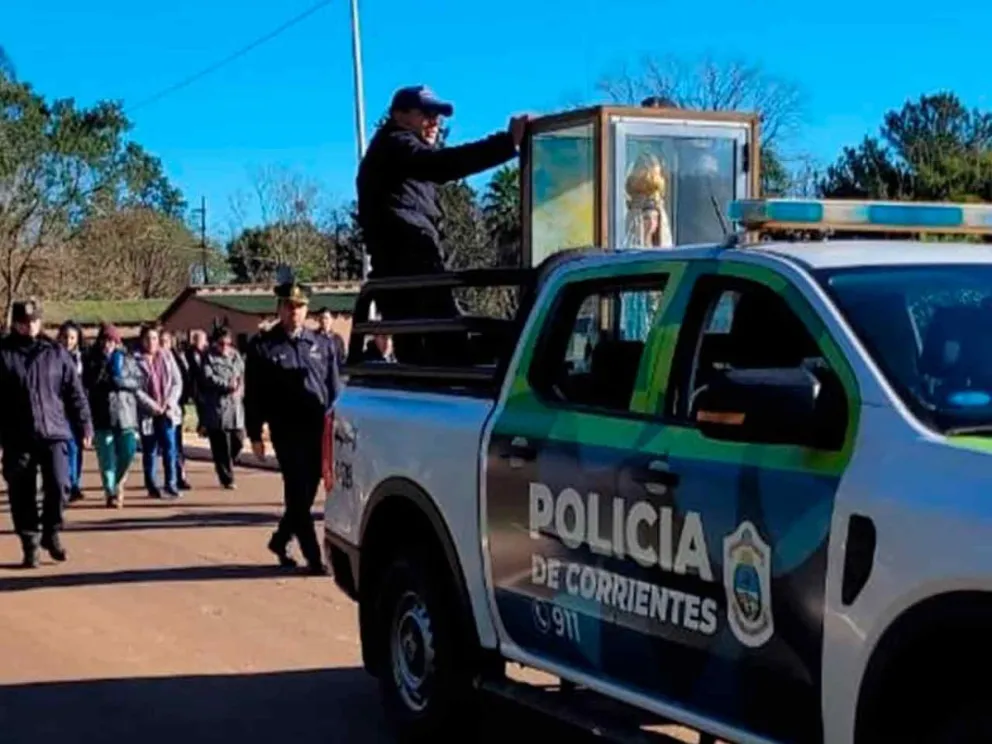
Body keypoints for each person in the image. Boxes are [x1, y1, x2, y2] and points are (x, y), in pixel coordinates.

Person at [356, 85, 528, 363]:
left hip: (418, 280)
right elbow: (441, 165)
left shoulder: (400, 157)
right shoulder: (395, 145)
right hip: (412, 283)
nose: (435, 122)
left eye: (438, 115)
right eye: (426, 113)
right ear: (399, 115)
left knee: (451, 353)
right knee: (459, 353)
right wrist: (507, 143)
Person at [244, 276, 340, 574]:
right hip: (286, 432)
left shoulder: (321, 344)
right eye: (289, 306)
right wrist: (255, 433)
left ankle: (281, 538)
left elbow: (334, 389)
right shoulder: (263, 347)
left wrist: (338, 427)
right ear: (279, 308)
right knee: (296, 494)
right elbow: (254, 393)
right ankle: (314, 557)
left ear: (306, 309)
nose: (294, 311)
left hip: (317, 429)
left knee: (306, 494)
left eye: (300, 306)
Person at [0, 300, 92, 567]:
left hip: (54, 431)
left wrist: (85, 424)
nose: (30, 326)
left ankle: (50, 531)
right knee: (21, 491)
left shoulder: (55, 353)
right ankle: (30, 543)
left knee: (61, 483)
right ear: (14, 323)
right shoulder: (4, 354)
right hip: (18, 435)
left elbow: (75, 393)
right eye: (24, 322)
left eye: (35, 321)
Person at [83, 323, 141, 508]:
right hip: (102, 414)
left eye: (111, 340)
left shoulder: (127, 358)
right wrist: (102, 365)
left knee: (129, 450)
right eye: (105, 340)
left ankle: (118, 482)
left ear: (117, 341)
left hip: (125, 414)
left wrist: (120, 381)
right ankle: (111, 491)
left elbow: (138, 381)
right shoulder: (92, 359)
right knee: (106, 457)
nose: (108, 344)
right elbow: (88, 383)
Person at [134, 324, 183, 499]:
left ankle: (171, 484)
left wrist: (169, 402)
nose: (151, 342)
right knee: (150, 449)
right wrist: (153, 405)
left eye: (154, 338)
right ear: (142, 340)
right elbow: (136, 389)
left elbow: (177, 382)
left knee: (170, 447)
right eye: (148, 338)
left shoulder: (168, 357)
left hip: (167, 411)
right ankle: (152, 485)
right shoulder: (136, 360)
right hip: (149, 412)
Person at [200, 326, 245, 490]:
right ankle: (227, 479)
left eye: (227, 342)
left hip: (235, 407)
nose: (225, 346)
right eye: (221, 343)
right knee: (221, 444)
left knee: (238, 440)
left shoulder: (235, 355)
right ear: (215, 343)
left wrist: (240, 389)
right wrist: (227, 385)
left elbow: (241, 373)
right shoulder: (209, 357)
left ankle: (225, 463)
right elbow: (208, 378)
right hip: (218, 408)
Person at [57, 320, 86, 503]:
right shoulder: (54, 356)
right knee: (71, 447)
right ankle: (70, 484)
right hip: (61, 410)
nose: (68, 341)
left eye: (72, 337)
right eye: (66, 337)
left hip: (80, 410)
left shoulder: (83, 358)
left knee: (78, 447)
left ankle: (74, 482)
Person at [160, 329, 193, 490]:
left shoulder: (177, 359)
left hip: (176, 408)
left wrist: (178, 401)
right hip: (157, 408)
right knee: (164, 446)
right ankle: (168, 478)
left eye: (166, 342)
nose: (163, 345)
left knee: (176, 444)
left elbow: (184, 380)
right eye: (161, 342)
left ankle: (180, 475)